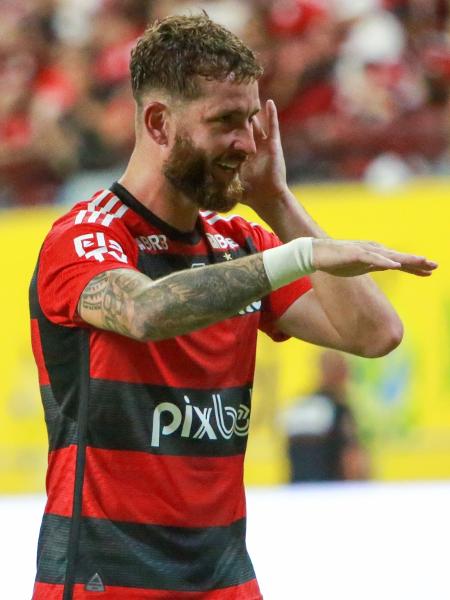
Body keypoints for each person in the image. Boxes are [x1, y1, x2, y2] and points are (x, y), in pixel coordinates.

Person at [29, 13, 437, 600]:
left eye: (250, 121)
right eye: (224, 122)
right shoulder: (85, 237)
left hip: (225, 581)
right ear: (159, 123)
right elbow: (146, 311)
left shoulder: (239, 242)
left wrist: (277, 201)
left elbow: (376, 334)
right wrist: (300, 256)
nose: (245, 143)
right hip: (109, 582)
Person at [280, 350, 369, 483]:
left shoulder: (299, 407)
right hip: (330, 493)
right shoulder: (338, 409)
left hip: (298, 493)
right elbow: (352, 461)